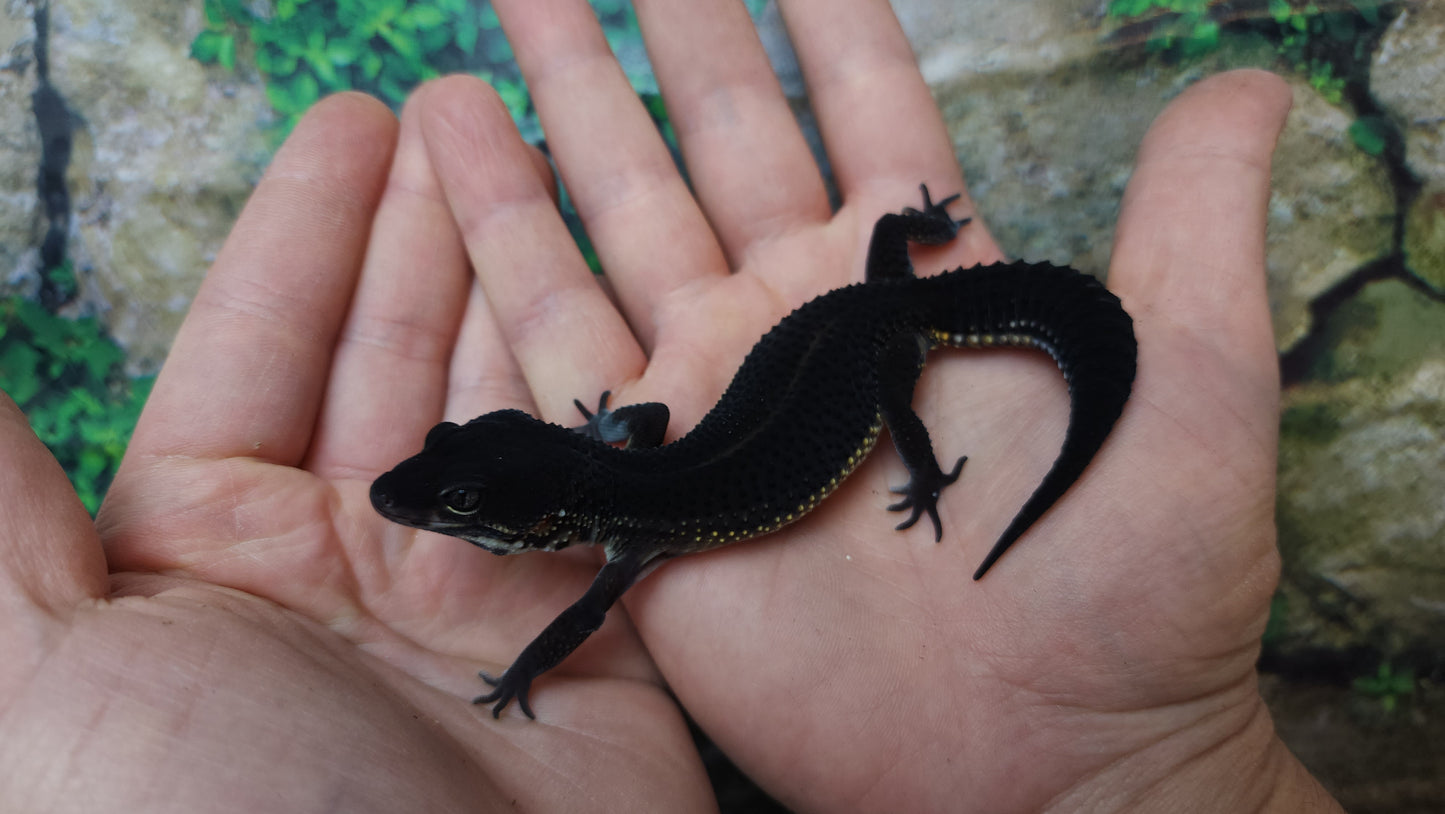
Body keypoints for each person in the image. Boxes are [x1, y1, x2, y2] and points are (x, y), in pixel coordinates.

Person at [0, 0, 1345, 811]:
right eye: (456, 490)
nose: (431, 508)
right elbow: (630, 443)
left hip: (884, 333)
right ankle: (920, 266)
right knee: (888, 302)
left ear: (539, 512)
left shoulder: (622, 530)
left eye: (461, 496)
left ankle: (928, 426)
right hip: (870, 309)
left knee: (895, 357)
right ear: (549, 494)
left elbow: (592, 581)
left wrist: (525, 668)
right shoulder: (619, 492)